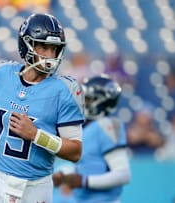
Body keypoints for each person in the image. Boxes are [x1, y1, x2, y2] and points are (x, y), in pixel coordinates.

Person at [0, 13, 85, 203]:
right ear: (26, 45)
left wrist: (37, 135)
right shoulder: (2, 74)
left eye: (54, 49)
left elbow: (75, 151)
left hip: (35, 185)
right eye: (43, 47)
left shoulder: (65, 90)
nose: (49, 55)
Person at [53, 75, 131, 203]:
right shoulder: (87, 127)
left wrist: (85, 181)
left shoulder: (107, 124)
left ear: (101, 101)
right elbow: (88, 166)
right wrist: (64, 175)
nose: (84, 102)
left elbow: (123, 174)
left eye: (88, 99)